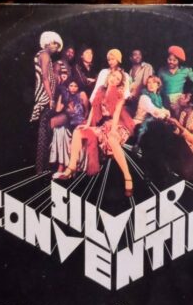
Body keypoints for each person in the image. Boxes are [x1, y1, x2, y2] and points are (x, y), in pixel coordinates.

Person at [53, 70, 135, 197]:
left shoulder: (120, 94)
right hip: (104, 125)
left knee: (112, 140)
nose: (114, 79)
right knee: (78, 132)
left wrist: (113, 130)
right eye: (114, 76)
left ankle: (127, 177)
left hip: (118, 125)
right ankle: (71, 168)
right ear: (109, 75)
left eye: (118, 79)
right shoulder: (101, 90)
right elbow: (94, 108)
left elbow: (117, 113)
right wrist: (87, 125)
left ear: (119, 83)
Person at [30, 31, 63, 174]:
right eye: (54, 43)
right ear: (48, 42)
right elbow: (44, 78)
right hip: (45, 97)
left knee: (46, 129)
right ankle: (41, 168)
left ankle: (43, 166)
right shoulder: (44, 55)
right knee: (44, 131)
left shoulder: (45, 55)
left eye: (57, 45)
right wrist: (51, 98)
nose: (56, 47)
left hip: (45, 96)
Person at [49, 78, 89, 173]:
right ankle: (62, 165)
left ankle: (73, 166)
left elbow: (87, 110)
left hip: (80, 121)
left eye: (75, 86)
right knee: (59, 131)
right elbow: (58, 110)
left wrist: (85, 121)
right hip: (70, 122)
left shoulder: (82, 94)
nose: (73, 88)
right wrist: (61, 96)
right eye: (71, 86)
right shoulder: (65, 97)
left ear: (78, 87)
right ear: (67, 87)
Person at [158, 45, 193, 117]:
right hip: (165, 103)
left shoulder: (185, 70)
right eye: (169, 59)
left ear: (179, 61)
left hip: (179, 103)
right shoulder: (161, 71)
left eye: (174, 60)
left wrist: (190, 93)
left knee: (179, 120)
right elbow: (157, 86)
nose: (171, 62)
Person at [133, 75, 170, 152]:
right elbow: (155, 112)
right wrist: (165, 113)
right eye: (149, 82)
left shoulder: (157, 97)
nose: (151, 85)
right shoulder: (144, 97)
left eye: (154, 82)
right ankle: (137, 145)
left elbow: (163, 110)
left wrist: (166, 112)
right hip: (140, 123)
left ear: (158, 85)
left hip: (152, 122)